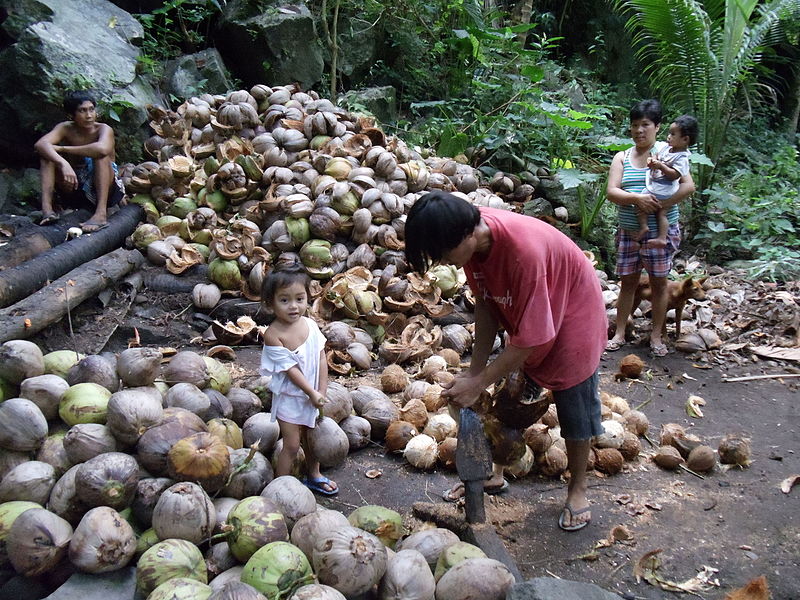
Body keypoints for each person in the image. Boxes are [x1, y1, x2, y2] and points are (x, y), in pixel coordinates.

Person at [405, 191, 607, 532]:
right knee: (506, 402)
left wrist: (479, 381)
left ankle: (578, 490)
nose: (442, 262)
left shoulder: (522, 254)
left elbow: (532, 340)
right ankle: (494, 476)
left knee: (575, 409)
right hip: (531, 315)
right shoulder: (470, 236)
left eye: (442, 254)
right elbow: (485, 308)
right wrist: (475, 373)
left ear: (467, 235)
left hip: (574, 314)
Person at [605, 100, 696, 357]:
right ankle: (620, 333)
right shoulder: (621, 157)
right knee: (628, 284)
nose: (639, 130)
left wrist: (660, 205)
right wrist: (637, 200)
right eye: (635, 125)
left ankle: (657, 336)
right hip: (629, 232)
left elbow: (688, 186)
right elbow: (612, 191)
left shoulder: (670, 153)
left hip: (660, 232)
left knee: (659, 284)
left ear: (657, 126)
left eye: (645, 124)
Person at [259, 262, 338, 496]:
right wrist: (311, 393)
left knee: (311, 440)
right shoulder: (273, 335)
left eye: (299, 299)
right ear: (270, 303)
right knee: (292, 445)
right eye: (284, 300)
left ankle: (313, 475)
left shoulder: (311, 326)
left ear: (308, 297)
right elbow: (290, 370)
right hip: (290, 399)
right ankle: (279, 488)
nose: (293, 306)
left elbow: (321, 358)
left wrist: (321, 391)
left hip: (313, 397)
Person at [34, 90, 125, 232]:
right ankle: (47, 210)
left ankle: (100, 214)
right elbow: (41, 145)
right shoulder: (65, 128)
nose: (89, 116)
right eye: (82, 111)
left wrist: (63, 149)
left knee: (100, 156)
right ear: (71, 115)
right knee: (47, 156)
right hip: (74, 187)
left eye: (91, 110)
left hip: (105, 191)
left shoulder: (103, 129)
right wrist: (62, 163)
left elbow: (101, 149)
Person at [635, 114, 699, 248]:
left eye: (673, 134)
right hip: (656, 185)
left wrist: (661, 166)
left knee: (652, 208)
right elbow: (658, 156)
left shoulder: (682, 158)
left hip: (665, 189)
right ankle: (647, 229)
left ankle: (658, 235)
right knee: (651, 208)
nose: (668, 136)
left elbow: (674, 175)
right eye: (669, 133)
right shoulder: (666, 148)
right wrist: (653, 160)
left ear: (685, 139)